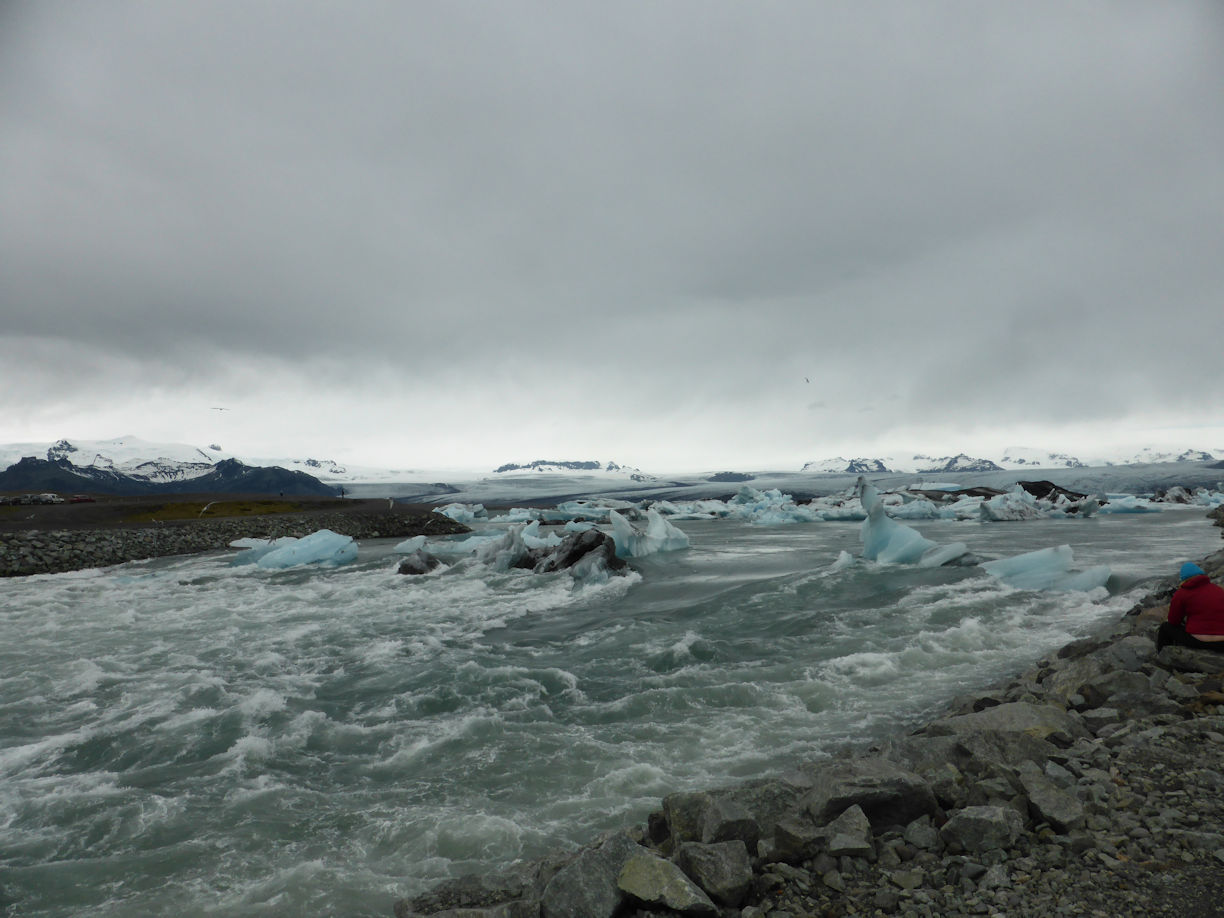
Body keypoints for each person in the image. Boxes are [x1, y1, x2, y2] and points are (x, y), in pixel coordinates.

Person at [1156, 562, 1224, 651]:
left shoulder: (1181, 593)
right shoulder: (1219, 590)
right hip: (1222, 643)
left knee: (1165, 627)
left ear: (1184, 579)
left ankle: (1162, 656)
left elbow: (1174, 621)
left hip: (1199, 641)